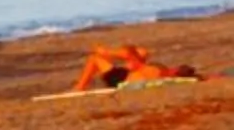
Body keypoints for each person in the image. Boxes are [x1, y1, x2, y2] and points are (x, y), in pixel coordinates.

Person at [72, 43, 201, 92]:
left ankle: (80, 87)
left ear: (176, 70)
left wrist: (107, 52)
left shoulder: (158, 71)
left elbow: (132, 60)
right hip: (129, 74)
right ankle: (105, 52)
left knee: (94, 58)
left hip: (123, 78)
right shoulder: (162, 73)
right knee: (141, 52)